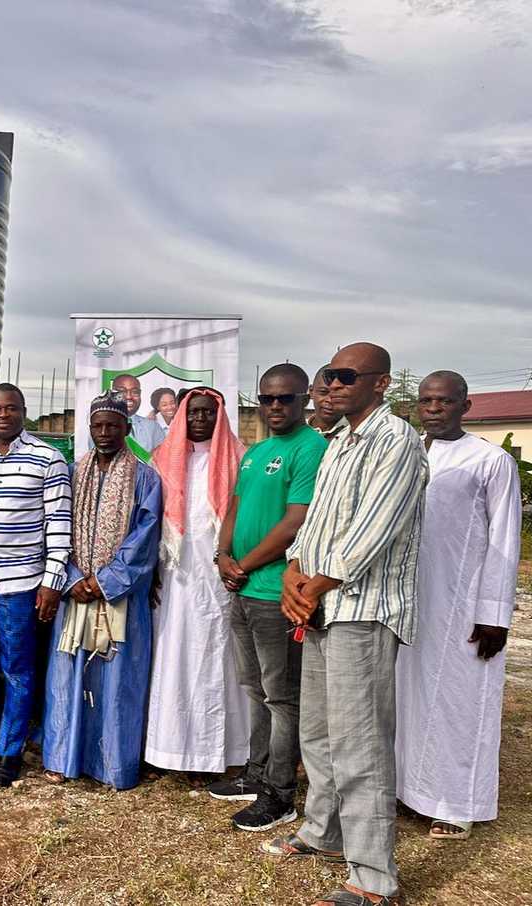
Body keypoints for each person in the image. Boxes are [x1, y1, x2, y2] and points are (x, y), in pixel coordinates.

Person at [263, 342, 427, 906]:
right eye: (327, 375)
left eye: (345, 376)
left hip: (364, 609)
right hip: (324, 606)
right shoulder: (337, 442)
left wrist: (314, 584)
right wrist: (292, 571)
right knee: (320, 732)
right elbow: (319, 525)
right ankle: (323, 834)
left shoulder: (396, 440)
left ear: (380, 383)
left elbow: (372, 532)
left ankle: (374, 877)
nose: (330, 384)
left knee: (360, 745)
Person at [395, 371, 521, 841]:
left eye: (444, 401)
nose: (433, 408)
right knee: (408, 698)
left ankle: (456, 803)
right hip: (409, 600)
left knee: (460, 701)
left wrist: (493, 613)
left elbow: (506, 541)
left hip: (463, 604)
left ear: (465, 407)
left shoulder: (490, 460)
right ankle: (411, 790)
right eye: (425, 400)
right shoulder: (407, 454)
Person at [212, 364, 326, 831]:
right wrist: (222, 554)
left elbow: (296, 520)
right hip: (241, 589)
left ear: (304, 402)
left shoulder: (311, 447)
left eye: (285, 399)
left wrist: (246, 563)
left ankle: (280, 793)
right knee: (255, 689)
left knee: (282, 696)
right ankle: (255, 774)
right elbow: (234, 507)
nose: (275, 406)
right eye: (268, 398)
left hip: (277, 592)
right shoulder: (256, 452)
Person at [42, 391, 161, 790]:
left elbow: (145, 539)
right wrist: (74, 578)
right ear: (89, 429)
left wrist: (105, 581)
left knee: (117, 683)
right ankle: (62, 757)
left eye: (113, 425)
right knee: (66, 675)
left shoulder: (145, 477)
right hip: (75, 593)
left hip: (119, 598)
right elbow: (57, 525)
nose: (105, 432)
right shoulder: (73, 473)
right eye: (98, 426)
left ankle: (113, 764)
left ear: (128, 428)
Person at [0, 383, 72, 787]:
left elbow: (59, 526)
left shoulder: (48, 459)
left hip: (21, 583)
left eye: (10, 408)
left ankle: (10, 750)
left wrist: (52, 581)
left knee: (18, 668)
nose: (2, 415)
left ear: (24, 411)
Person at [144, 388, 249, 784]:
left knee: (220, 658)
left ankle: (229, 751)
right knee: (175, 656)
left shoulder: (241, 459)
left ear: (220, 416)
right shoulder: (161, 460)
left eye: (208, 413)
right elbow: (151, 520)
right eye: (194, 413)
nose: (200, 420)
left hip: (221, 578)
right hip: (175, 578)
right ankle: (172, 749)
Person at [111, 373, 164, 453]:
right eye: (122, 391)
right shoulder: (101, 427)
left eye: (135, 392)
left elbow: (162, 461)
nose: (129, 396)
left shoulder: (153, 427)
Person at [308, 366, 345, 439]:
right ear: (311, 392)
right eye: (323, 392)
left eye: (338, 394)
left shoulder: (355, 433)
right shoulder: (293, 432)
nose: (330, 400)